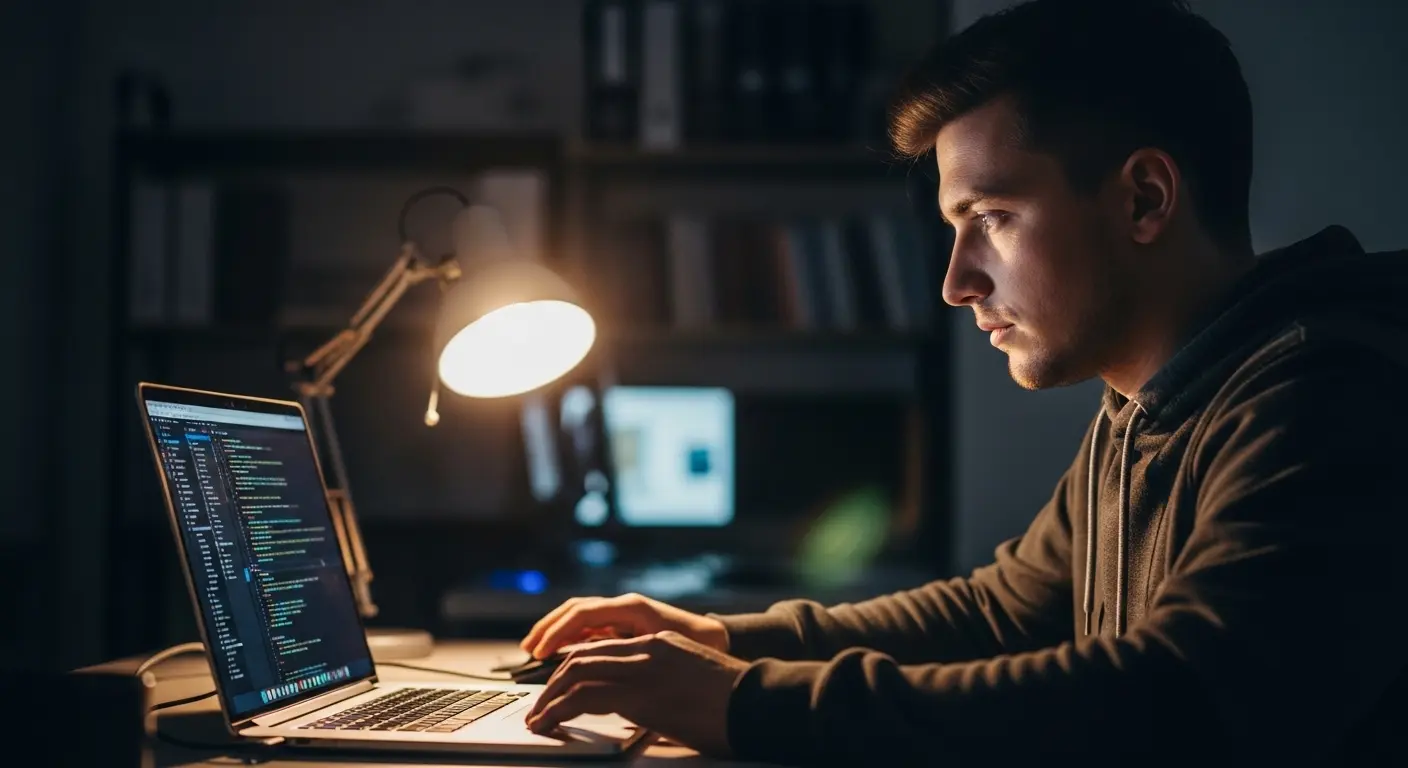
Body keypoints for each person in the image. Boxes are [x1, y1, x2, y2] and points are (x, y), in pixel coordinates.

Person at [519, 0, 1408, 763]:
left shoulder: (1326, 398)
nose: (957, 283)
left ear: (1144, 199)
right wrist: (717, 640)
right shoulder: (1156, 403)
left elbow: (1181, 698)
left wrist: (743, 702)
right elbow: (1002, 613)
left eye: (992, 217)